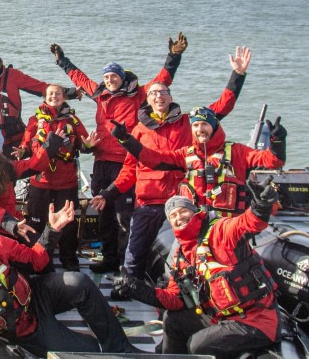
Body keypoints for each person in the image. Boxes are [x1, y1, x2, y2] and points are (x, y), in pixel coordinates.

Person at [98, 47, 250, 282]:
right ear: (147, 100)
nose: (159, 96)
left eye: (163, 93)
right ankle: (131, 284)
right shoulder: (138, 130)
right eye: (154, 94)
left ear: (170, 97)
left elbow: (221, 108)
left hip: (183, 201)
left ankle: (186, 290)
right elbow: (129, 169)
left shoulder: (189, 123)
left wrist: (237, 76)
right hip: (147, 201)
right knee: (134, 251)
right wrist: (108, 194)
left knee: (190, 251)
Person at [50, 33, 187, 273]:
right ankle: (109, 257)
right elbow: (79, 78)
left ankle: (128, 262)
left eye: (113, 76)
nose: (109, 80)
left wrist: (173, 56)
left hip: (125, 163)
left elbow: (162, 81)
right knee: (102, 212)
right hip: (101, 162)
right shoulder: (99, 93)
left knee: (125, 217)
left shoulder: (138, 95)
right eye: (106, 76)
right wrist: (62, 60)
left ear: (122, 78)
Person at [0, 207, 138, 357]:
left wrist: (52, 230)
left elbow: (37, 261)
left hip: (34, 300)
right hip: (16, 330)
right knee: (87, 352)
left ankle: (121, 347)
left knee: (78, 282)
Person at [112, 189, 281, 357]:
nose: (179, 218)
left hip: (255, 319)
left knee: (198, 345)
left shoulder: (220, 231)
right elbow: (174, 300)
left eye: (183, 211)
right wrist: (137, 289)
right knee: (172, 321)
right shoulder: (182, 254)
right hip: (220, 316)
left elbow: (247, 223)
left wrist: (260, 207)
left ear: (195, 212)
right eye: (173, 216)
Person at [110, 106, 285, 215]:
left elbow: (272, 161)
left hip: (228, 224)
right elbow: (153, 159)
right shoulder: (185, 154)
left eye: (204, 124)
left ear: (214, 126)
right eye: (195, 125)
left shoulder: (237, 151)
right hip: (195, 223)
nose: (200, 129)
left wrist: (277, 142)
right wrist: (126, 139)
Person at [16, 84, 98, 271]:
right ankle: (36, 259)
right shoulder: (34, 120)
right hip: (40, 181)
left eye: (58, 94)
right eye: (50, 94)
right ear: (45, 97)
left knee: (68, 223)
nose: (54, 96)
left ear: (64, 97)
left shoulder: (73, 121)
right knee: (35, 221)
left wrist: (89, 146)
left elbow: (84, 144)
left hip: (66, 182)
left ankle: (69, 259)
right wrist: (21, 152)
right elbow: (27, 145)